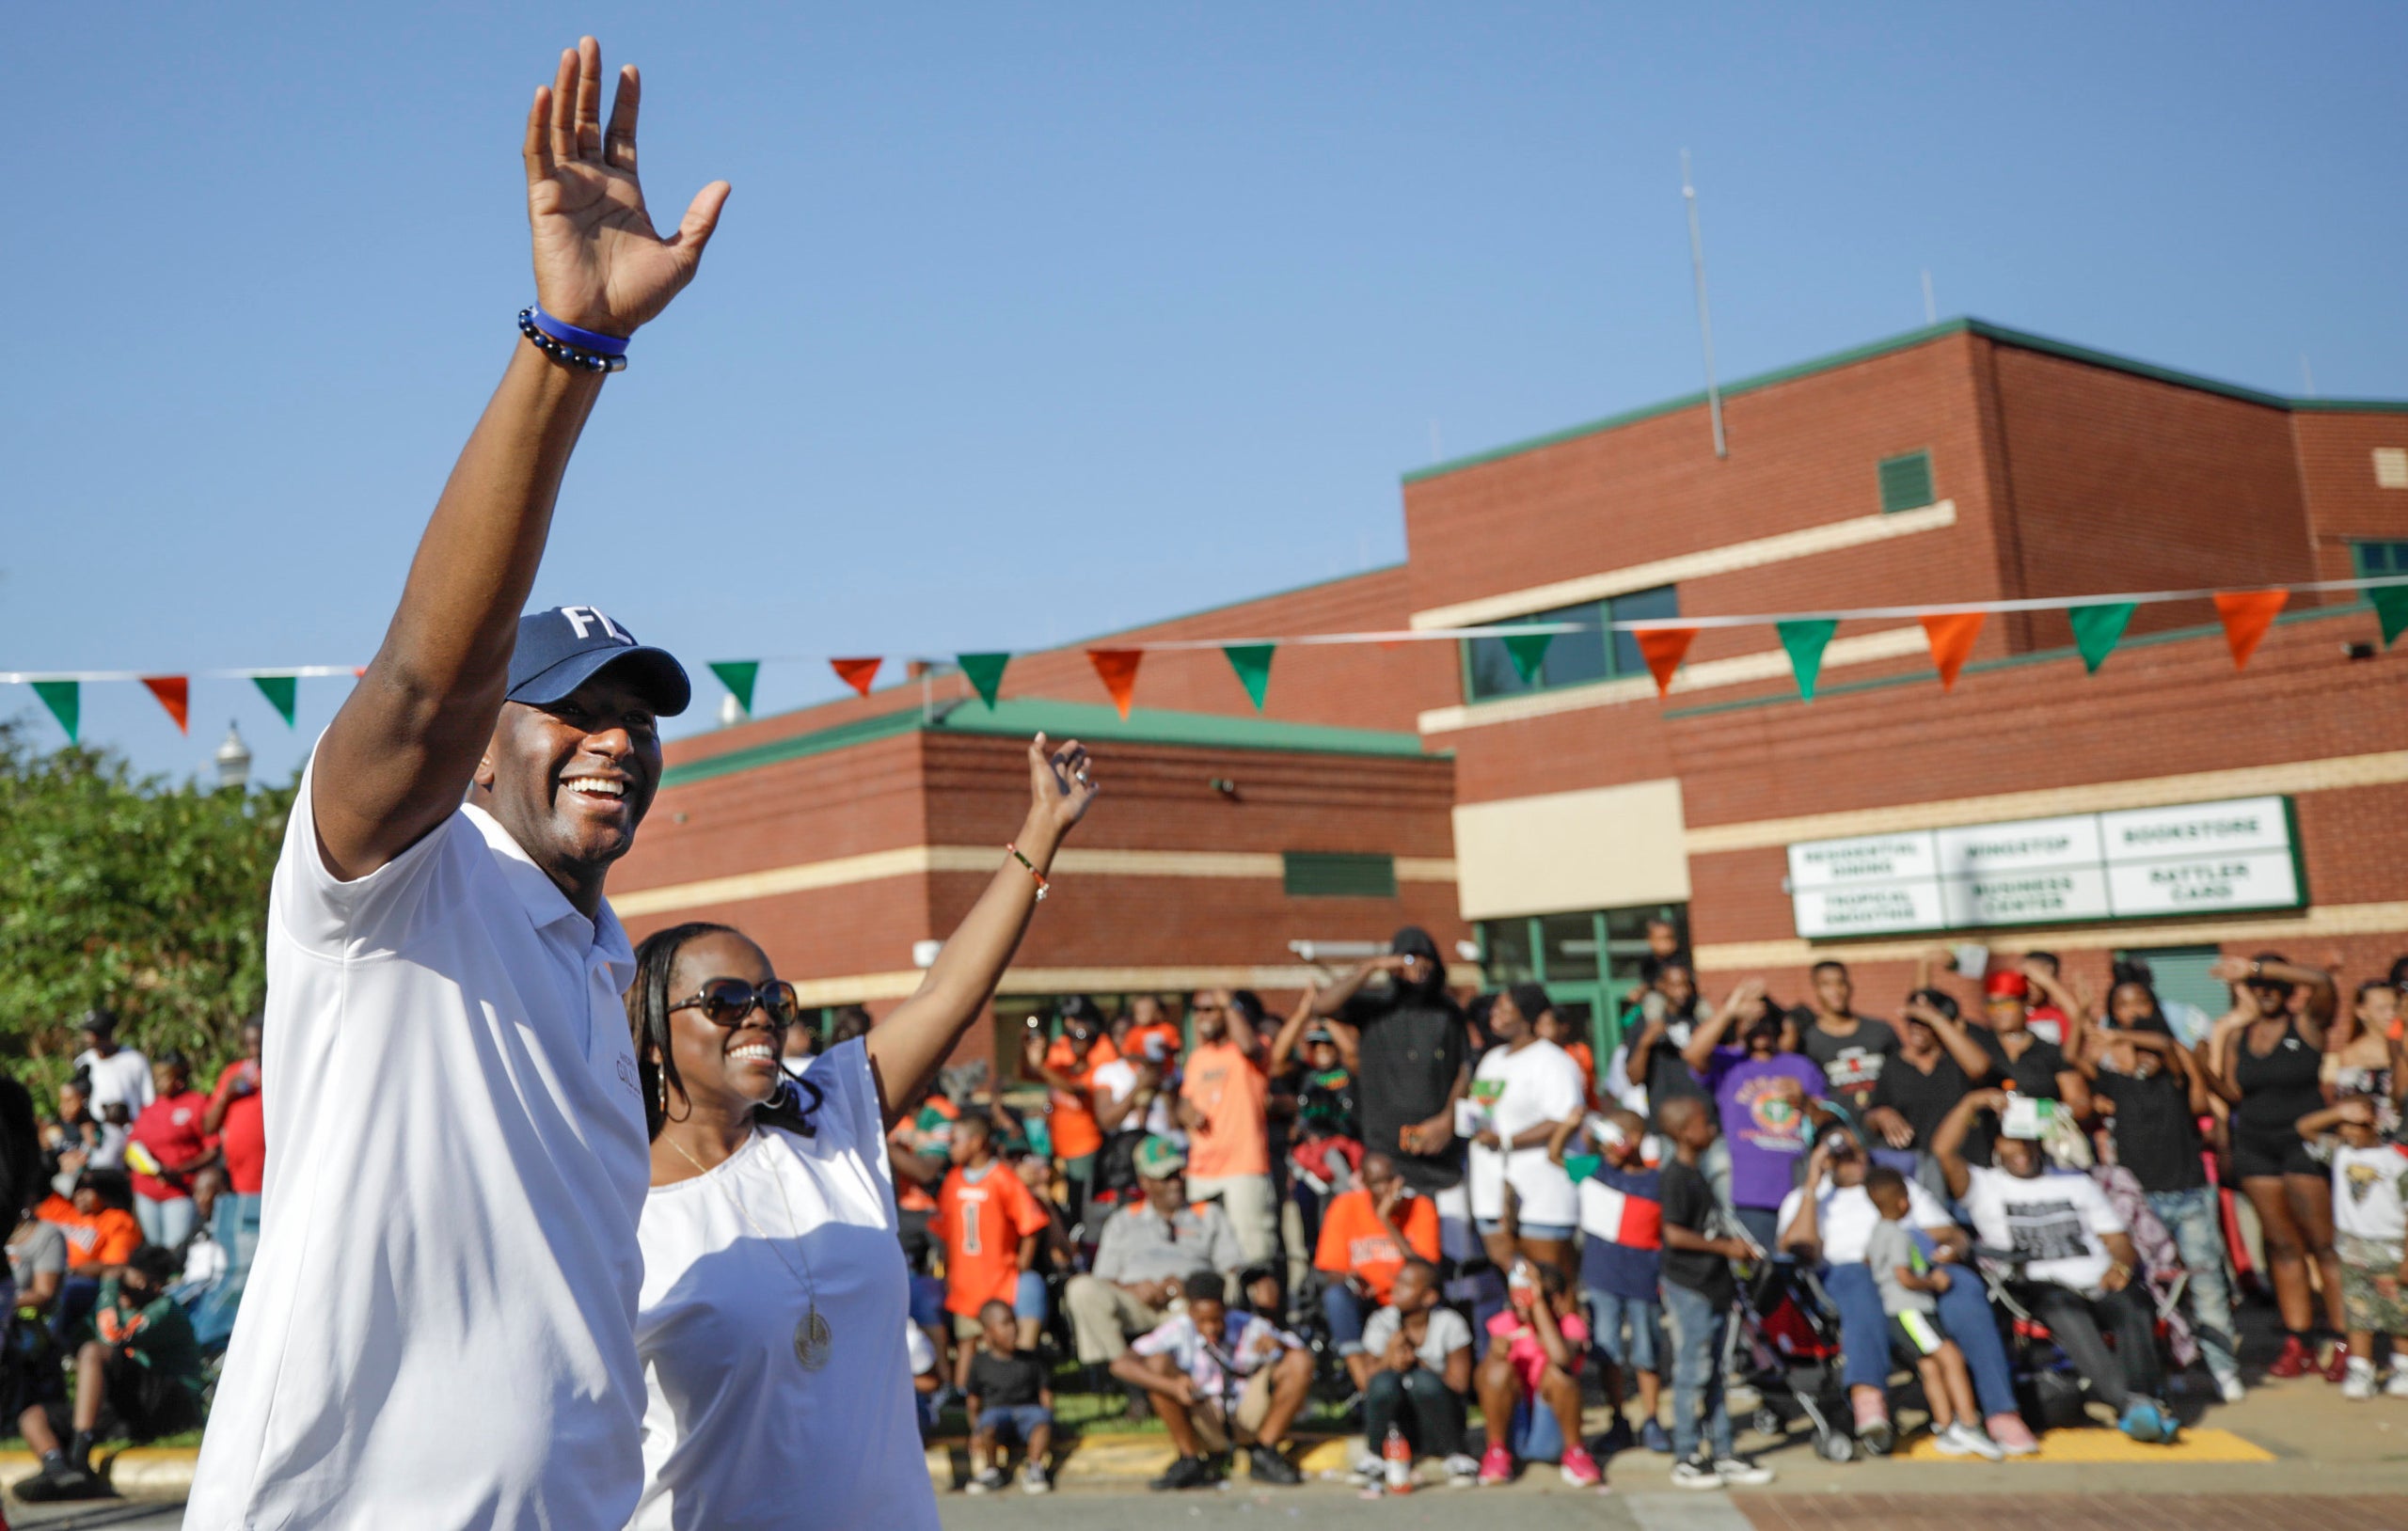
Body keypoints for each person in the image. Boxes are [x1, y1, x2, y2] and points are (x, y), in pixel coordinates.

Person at [186, 35, 735, 1528]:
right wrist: (573, 349)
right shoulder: (395, 889)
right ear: (494, 738)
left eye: (642, 714)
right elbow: (427, 684)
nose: (615, 735)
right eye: (570, 707)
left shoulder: (605, 949)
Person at [625, 727, 1097, 1530]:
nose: (760, 1017)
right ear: (654, 1038)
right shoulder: (611, 1203)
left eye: (774, 999)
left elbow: (947, 993)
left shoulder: (829, 1113)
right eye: (725, 1001)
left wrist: (1040, 833)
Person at [1932, 1089, 2178, 1444]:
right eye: (2010, 1143)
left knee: (2132, 1304)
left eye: (2028, 1142)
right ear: (1995, 1147)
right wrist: (1970, 1103)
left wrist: (2121, 1268)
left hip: (2099, 1276)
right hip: (2039, 1282)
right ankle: (2130, 1405)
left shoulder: (2076, 1184)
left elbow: (2119, 1242)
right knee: (2064, 1309)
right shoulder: (1984, 1186)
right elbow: (1942, 1151)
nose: (2021, 1151)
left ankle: (2143, 1400)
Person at [1776, 1123, 2033, 1457]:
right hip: (1854, 1273)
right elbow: (1798, 1249)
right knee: (1859, 1281)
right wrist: (1812, 1183)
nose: (1852, 1157)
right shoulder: (1806, 1198)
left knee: (1965, 1288)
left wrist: (1952, 1249)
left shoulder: (1896, 1186)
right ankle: (1869, 1399)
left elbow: (1950, 1233)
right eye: (1839, 1152)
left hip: (1918, 1268)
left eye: (1857, 1148)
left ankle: (2002, 1412)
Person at [2076, 979, 2243, 1402]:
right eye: (2123, 1007)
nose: (2132, 1012)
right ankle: (2169, 1366)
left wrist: (2121, 1033)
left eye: (2141, 1003)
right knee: (2153, 1290)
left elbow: (2167, 1049)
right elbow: (2077, 1067)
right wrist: (2083, 1020)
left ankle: (2223, 1369)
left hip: (2188, 1192)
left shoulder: (2173, 1062)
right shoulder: (2114, 1078)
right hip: (2138, 1201)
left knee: (2206, 1284)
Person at [2204, 952, 2347, 1380]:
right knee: (2282, 1247)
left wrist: (2255, 969)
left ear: (2286, 990)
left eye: (2271, 986)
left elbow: (2320, 978)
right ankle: (2298, 1340)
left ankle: (2342, 1339)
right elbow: (2231, 1094)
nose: (2263, 993)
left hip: (2302, 1143)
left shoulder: (2306, 1024)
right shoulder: (2237, 1037)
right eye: (2255, 988)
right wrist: (2202, 1061)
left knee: (2323, 1244)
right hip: (2255, 1145)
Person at [14, 1244, 204, 1503]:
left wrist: (110, 1284)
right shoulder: (117, 1309)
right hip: (133, 1408)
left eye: (131, 1281)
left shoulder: (165, 1309)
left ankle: (79, 1459)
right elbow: (76, 1340)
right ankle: (60, 1472)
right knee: (32, 1416)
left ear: (152, 1285)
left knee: (95, 1351)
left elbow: (110, 1336)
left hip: (173, 1401)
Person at [1654, 1097, 1776, 1491]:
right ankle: (1686, 1456)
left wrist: (1736, 1248)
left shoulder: (1697, 1173)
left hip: (1715, 1286)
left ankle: (1722, 1451)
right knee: (1694, 1371)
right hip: (1691, 1288)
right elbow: (1673, 1233)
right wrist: (1726, 1248)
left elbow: (1708, 1226)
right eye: (1704, 1123)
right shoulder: (1674, 1176)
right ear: (1684, 1132)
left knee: (1718, 1373)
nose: (1712, 1130)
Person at [1112, 1271, 1311, 1490]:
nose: (1210, 1328)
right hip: (1203, 1414)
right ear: (1190, 1312)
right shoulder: (1178, 1329)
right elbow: (1120, 1365)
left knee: (1299, 1361)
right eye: (1202, 1320)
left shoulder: (1249, 1325)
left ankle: (1265, 1451)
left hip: (1247, 1413)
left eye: (1216, 1319)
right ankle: (1189, 1459)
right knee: (1156, 1365)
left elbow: (1299, 1351)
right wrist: (1172, 1386)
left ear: (1225, 1310)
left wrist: (1279, 1345)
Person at [1310, 928, 1469, 1203]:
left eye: (1425, 959)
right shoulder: (1375, 1006)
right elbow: (1322, 1006)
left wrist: (1448, 1118)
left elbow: (1465, 1068)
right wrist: (1371, 967)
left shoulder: (1447, 1011)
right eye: (1409, 959)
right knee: (1392, 1240)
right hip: (1387, 1156)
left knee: (1450, 1240)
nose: (1418, 966)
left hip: (1440, 1155)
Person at [1065, 1136, 1247, 1375]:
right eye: (1165, 1177)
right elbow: (1103, 1277)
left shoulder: (1208, 1214)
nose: (1175, 1183)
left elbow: (1232, 1268)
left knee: (1219, 1296)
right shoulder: (1122, 1220)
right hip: (1137, 1303)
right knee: (1082, 1289)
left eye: (1177, 1174)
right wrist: (1135, 1289)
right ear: (1145, 1182)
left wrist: (1192, 1287)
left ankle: (1194, 1374)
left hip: (1190, 1304)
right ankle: (1129, 1375)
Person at [1554, 1106, 1673, 1454]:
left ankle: (1652, 1419)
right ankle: (1617, 1418)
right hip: (1602, 1278)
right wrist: (1570, 1126)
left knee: (1646, 1353)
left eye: (1614, 1139)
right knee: (1607, 1351)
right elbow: (1554, 1156)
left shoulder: (1656, 1181)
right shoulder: (1595, 1169)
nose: (1608, 1148)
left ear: (1634, 1140)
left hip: (1643, 1279)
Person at [1862, 1166, 2002, 1458]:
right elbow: (1904, 1277)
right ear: (1903, 1202)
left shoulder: (1876, 1232)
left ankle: (1945, 1426)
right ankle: (1968, 1423)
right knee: (1952, 1358)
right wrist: (1932, 1281)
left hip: (1896, 1312)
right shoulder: (1899, 1236)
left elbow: (1870, 1262)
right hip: (1912, 1311)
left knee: (1931, 1368)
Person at [1682, 978, 1830, 1249]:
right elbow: (1692, 1054)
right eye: (1749, 1022)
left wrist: (1806, 1101)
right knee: (1764, 1277)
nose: (1758, 1028)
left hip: (1800, 1190)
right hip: (1753, 1194)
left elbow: (1827, 1122)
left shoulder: (1800, 1066)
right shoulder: (1729, 1064)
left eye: (1764, 1021)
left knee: (1804, 1274)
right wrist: (1730, 1010)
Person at [1465, 984, 1586, 1282]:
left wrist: (1506, 1141)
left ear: (1527, 1015)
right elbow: (1482, 1111)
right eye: (1495, 1007)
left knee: (1550, 1284)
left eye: (1505, 1008)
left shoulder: (1552, 1061)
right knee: (1514, 1283)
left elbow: (1563, 1118)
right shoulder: (1492, 1060)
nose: (1495, 1013)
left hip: (1541, 1192)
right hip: (1491, 1190)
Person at [2302, 1096, 2408, 1399]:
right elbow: (2305, 1128)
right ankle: (2361, 1366)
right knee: (2358, 1311)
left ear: (2375, 1123)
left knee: (2397, 1312)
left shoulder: (2396, 1163)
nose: (2348, 1132)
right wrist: (2337, 1111)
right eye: (2342, 1125)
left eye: (2356, 1125)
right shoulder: (2341, 1154)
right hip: (2351, 1248)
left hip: (2389, 1249)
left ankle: (2403, 1364)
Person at [934, 1110, 1053, 1379]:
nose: (950, 1148)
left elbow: (1031, 1222)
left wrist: (1022, 1261)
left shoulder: (1002, 1177)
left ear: (976, 1142)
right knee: (967, 1341)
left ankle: (1015, 1386)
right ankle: (962, 1392)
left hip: (998, 1277)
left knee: (1001, 1339)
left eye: (956, 1141)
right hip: (965, 1279)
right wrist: (945, 1267)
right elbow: (944, 1231)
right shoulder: (953, 1180)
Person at [1349, 1256, 1478, 1485]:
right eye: (1397, 1282)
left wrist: (1418, 1364)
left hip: (1437, 1422)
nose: (1396, 1289)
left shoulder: (1449, 1323)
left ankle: (1455, 1454)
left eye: (1406, 1285)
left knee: (1422, 1382)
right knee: (1383, 1382)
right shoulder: (1382, 1321)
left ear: (1429, 1297)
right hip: (1398, 1428)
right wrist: (1388, 1357)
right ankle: (1376, 1455)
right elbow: (1365, 1383)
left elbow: (1460, 1384)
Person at [1473, 1257, 1598, 1486]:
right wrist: (1494, 1354)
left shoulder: (1570, 1325)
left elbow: (1562, 1359)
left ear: (1556, 1300)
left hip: (1551, 1430)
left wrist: (1538, 1306)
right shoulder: (1504, 1324)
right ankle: (1496, 1452)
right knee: (1498, 1370)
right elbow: (1483, 1381)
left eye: (1530, 1294)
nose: (1522, 1303)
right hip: (1515, 1426)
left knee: (1559, 1373)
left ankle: (1575, 1453)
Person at [1178, 987, 1277, 1263]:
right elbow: (1183, 1101)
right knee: (1202, 1252)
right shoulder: (1199, 1058)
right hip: (1202, 1170)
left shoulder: (1252, 1049)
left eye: (1210, 1009)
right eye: (1197, 1010)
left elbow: (1249, 1046)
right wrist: (1187, 1112)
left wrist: (1228, 1002)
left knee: (1252, 1255)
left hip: (1243, 1168)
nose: (1201, 1017)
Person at [1312, 1150, 1441, 1361]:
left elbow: (1426, 1271)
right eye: (1376, 1183)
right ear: (1363, 1182)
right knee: (1336, 1297)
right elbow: (1330, 1270)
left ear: (1399, 1180)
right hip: (1366, 1299)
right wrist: (1352, 1280)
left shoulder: (1421, 1207)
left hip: (1409, 1299)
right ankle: (1359, 1372)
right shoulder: (1345, 1206)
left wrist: (1385, 1220)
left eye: (1388, 1180)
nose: (1384, 1189)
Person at [1861, 989, 1992, 1161]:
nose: (1916, 1026)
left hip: (1965, 1163)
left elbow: (1980, 1068)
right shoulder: (1894, 1065)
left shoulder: (1958, 1059)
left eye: (1924, 1021)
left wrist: (1935, 1018)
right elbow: (1872, 1114)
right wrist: (1881, 1115)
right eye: (1912, 1019)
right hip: (1920, 1167)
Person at [1022, 997, 1117, 1225]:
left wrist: (1041, 1067)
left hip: (1084, 1143)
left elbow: (1077, 1090)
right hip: (1056, 1140)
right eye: (1068, 1025)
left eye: (1078, 1025)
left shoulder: (1100, 1056)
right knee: (1056, 1197)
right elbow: (1035, 1074)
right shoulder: (1064, 1052)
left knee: (1080, 1204)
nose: (1073, 1033)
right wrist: (1028, 1049)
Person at [123, 1050, 214, 1249]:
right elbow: (133, 1146)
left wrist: (179, 1171)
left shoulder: (197, 1103)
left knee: (176, 1248)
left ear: (179, 1075)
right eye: (155, 1077)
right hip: (146, 1192)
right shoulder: (150, 1108)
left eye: (163, 1076)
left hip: (180, 1191)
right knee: (156, 1251)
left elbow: (212, 1150)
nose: (158, 1082)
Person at [963, 1298, 1055, 1494]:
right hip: (996, 1416)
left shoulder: (1032, 1360)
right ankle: (991, 1470)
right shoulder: (980, 1363)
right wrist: (975, 1432)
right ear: (988, 1332)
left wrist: (1049, 1421)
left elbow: (1045, 1395)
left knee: (1040, 1418)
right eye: (1005, 1324)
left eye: (1013, 1321)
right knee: (988, 1422)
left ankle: (1035, 1468)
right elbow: (973, 1402)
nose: (1013, 1328)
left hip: (1027, 1415)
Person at [1798, 960, 1898, 1116]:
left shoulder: (1880, 1030)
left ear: (1850, 986)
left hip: (1886, 1133)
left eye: (1841, 983)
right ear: (1816, 990)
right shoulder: (1809, 1040)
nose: (1836, 991)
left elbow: (1904, 1077)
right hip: (1838, 1132)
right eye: (1826, 985)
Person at [1615, 960, 1711, 1117]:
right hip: (1666, 1124)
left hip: (1706, 1118)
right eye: (1675, 985)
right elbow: (1634, 1078)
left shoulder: (1700, 1020)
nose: (1682, 992)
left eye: (1685, 985)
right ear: (1661, 986)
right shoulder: (1644, 1023)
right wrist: (1646, 1043)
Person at [71, 1010, 153, 1127]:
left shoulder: (134, 1060)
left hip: (130, 1129)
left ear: (108, 1033)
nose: (89, 1038)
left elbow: (148, 1099)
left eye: (95, 1033)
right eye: (88, 1033)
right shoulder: (83, 1062)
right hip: (99, 1131)